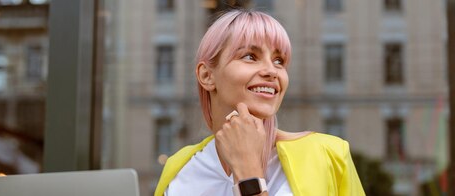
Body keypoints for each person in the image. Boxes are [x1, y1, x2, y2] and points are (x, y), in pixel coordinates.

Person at [154, 9, 365, 196]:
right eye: (250, 56)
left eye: (279, 61)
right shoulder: (179, 168)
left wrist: (248, 175)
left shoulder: (329, 155)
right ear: (207, 76)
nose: (271, 71)